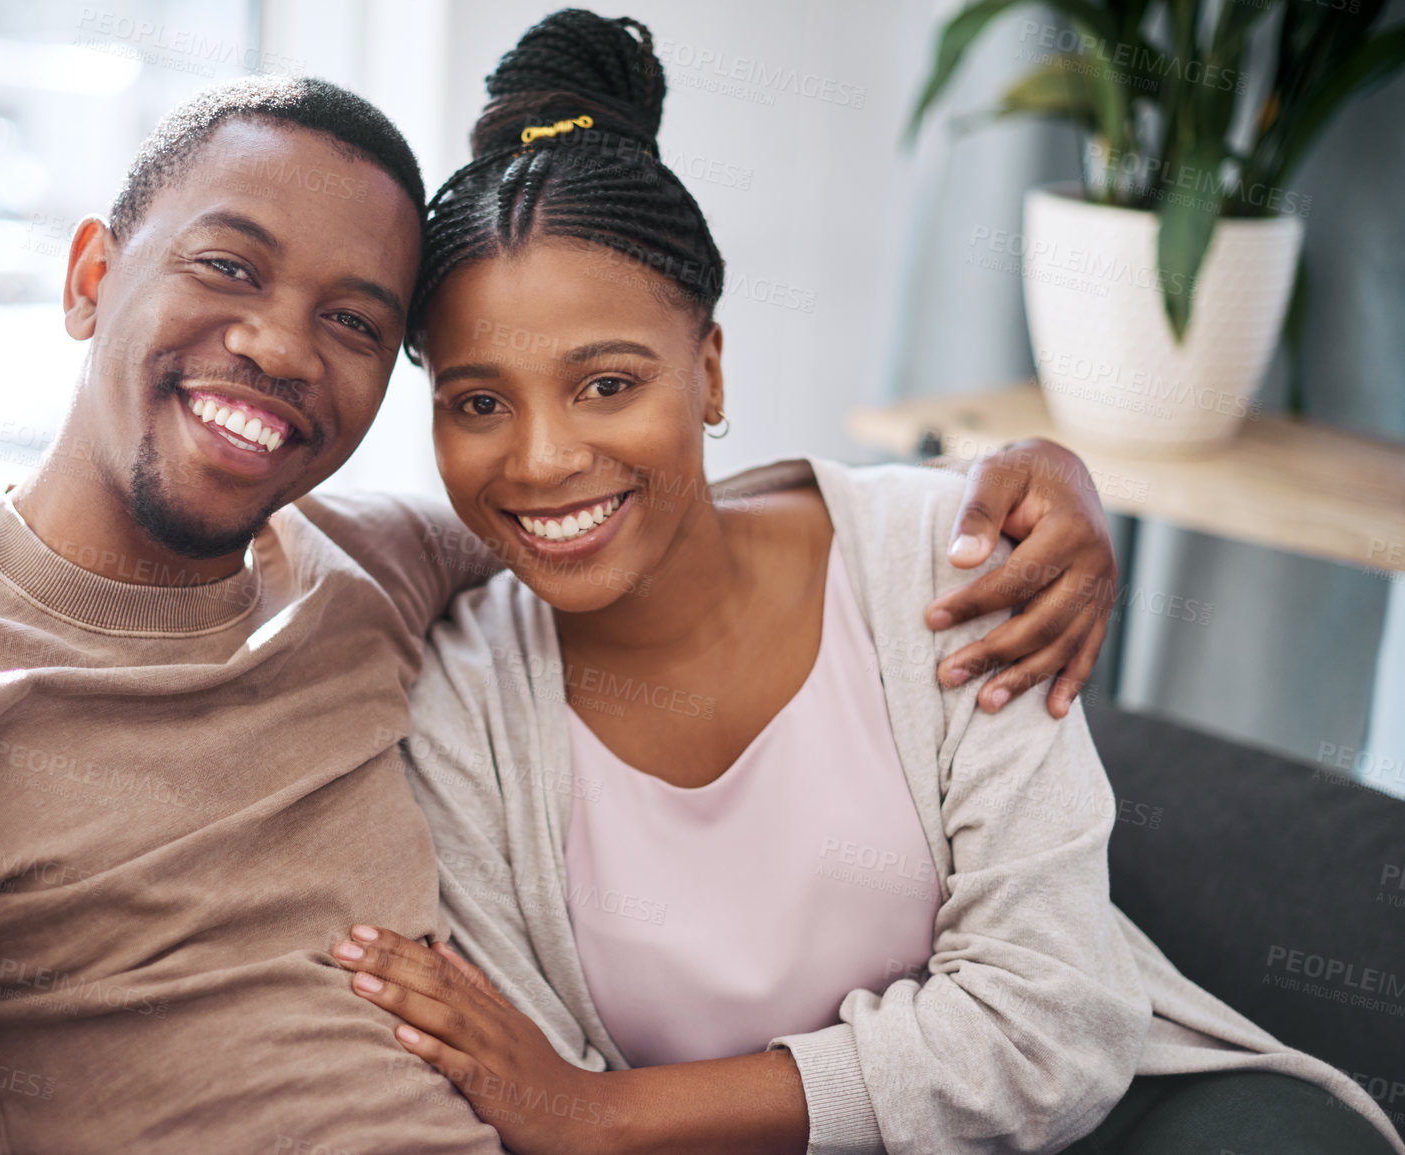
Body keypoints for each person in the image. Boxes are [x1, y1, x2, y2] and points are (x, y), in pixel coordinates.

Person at [0, 74, 1117, 1154]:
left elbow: (611, 502)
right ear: (87, 276)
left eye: (357, 322)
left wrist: (1023, 488)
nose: (275, 344)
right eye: (228, 265)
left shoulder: (363, 572)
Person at [325, 11, 1405, 1155]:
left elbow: (1054, 1027)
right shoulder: (459, 714)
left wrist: (611, 1113)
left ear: (711, 371)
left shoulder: (946, 562)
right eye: (478, 403)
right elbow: (528, 1089)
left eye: (607, 384)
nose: (542, 459)